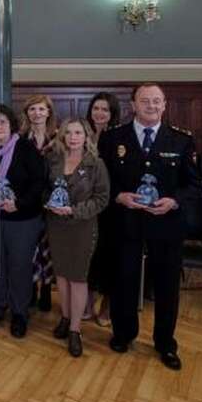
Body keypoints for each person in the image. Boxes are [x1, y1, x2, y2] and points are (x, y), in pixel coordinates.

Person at [99, 83, 200, 371]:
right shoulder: (112, 138)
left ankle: (165, 343)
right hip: (125, 221)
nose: (152, 106)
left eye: (157, 101)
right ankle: (123, 334)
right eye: (145, 101)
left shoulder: (181, 140)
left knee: (167, 286)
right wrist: (118, 195)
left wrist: (174, 201)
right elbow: (102, 181)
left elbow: (193, 185)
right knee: (123, 280)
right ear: (133, 104)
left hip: (166, 224)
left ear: (165, 105)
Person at [0, 105, 46, 338]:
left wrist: (20, 203)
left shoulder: (25, 148)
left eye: (3, 122)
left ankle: (19, 313)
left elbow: (39, 182)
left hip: (22, 219)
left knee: (19, 266)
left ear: (12, 125)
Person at [44, 118, 109, 357]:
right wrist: (48, 203)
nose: (73, 137)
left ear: (86, 136)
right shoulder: (53, 159)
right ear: (62, 136)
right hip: (56, 225)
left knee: (78, 277)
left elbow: (102, 198)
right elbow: (45, 188)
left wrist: (75, 210)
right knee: (61, 275)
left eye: (78, 133)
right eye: (68, 132)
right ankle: (65, 316)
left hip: (82, 226)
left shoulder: (96, 164)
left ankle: (75, 330)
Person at [85, 92, 121, 326]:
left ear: (112, 114)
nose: (99, 113)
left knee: (109, 258)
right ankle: (86, 304)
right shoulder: (80, 133)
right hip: (85, 208)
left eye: (105, 110)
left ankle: (107, 307)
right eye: (96, 108)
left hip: (111, 209)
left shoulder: (119, 138)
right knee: (87, 258)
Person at [19, 94, 58, 312]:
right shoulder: (20, 138)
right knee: (30, 247)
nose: (37, 113)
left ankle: (46, 290)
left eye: (41, 109)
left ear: (49, 112)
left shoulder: (59, 137)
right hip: (29, 201)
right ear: (27, 113)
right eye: (32, 109)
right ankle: (32, 287)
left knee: (48, 247)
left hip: (52, 200)